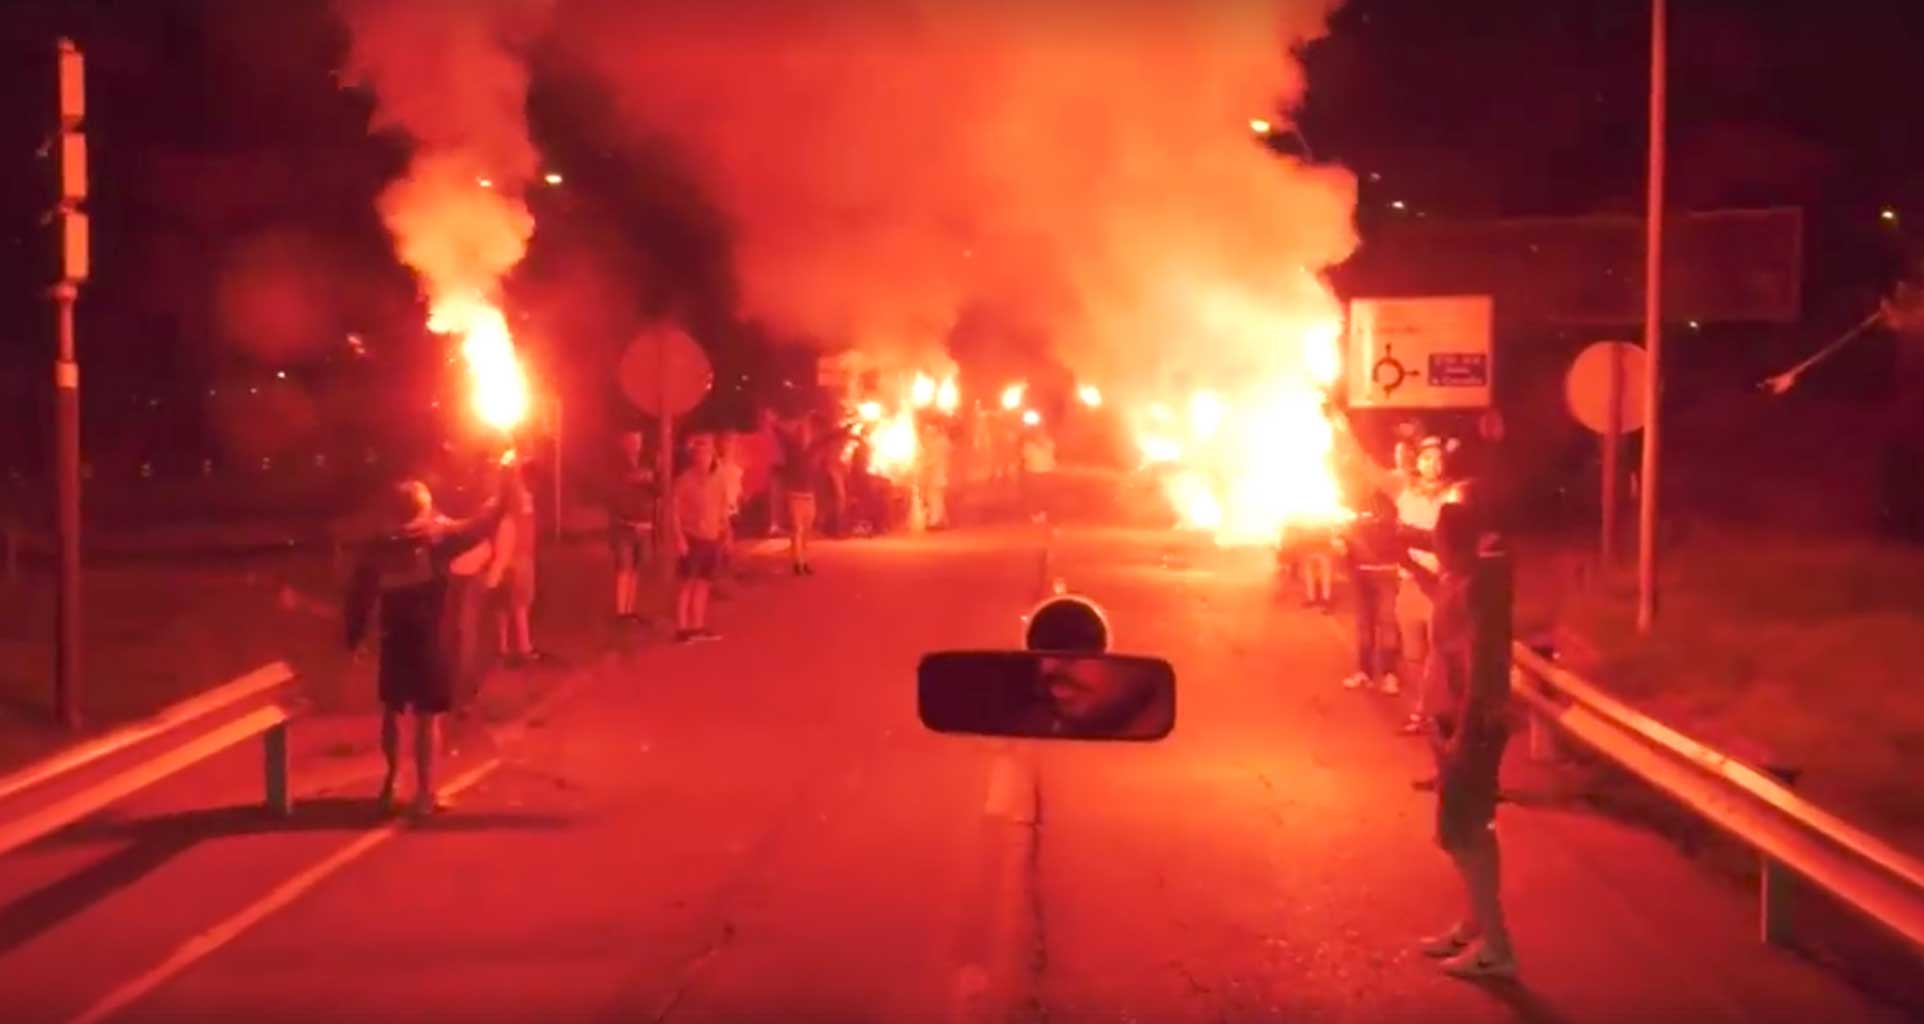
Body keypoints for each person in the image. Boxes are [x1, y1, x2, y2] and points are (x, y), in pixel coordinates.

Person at [345, 463, 509, 817]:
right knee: (427, 717)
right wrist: (507, 478)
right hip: (428, 639)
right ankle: (425, 795)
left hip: (393, 637)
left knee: (392, 710)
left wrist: (354, 636)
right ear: (421, 509)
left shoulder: (380, 546)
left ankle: (390, 782)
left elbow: (359, 594)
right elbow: (483, 523)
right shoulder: (435, 541)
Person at [1411, 501, 1517, 980]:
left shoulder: (1479, 590)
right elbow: (1442, 598)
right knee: (1473, 828)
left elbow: (1480, 666)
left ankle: (1496, 948)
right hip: (1452, 722)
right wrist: (1407, 562)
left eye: (1436, 536)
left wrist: (1464, 736)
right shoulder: (1459, 580)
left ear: (1452, 541)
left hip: (1468, 725)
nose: (1431, 541)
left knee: (1461, 834)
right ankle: (1478, 923)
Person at [1334, 415, 1463, 732]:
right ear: (1418, 462)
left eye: (1439, 459)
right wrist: (1341, 424)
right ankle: (1423, 711)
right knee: (1415, 657)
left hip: (1442, 586)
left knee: (1442, 655)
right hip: (1411, 585)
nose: (1433, 465)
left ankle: (1444, 715)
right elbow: (1367, 468)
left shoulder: (1455, 494)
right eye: (1427, 458)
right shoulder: (1404, 488)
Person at [1336, 491, 1402, 690]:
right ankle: (1365, 672)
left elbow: (1403, 544)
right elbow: (1344, 554)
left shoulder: (1393, 525)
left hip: (1385, 575)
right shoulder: (1351, 526)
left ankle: (1389, 674)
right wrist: (1341, 546)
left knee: (1387, 623)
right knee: (1365, 626)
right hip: (1361, 576)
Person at [671, 432, 730, 642]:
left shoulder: (719, 478)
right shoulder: (684, 480)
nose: (702, 457)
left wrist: (726, 532)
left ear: (712, 454)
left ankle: (698, 626)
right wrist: (679, 538)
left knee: (704, 584)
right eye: (698, 453)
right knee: (687, 583)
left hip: (711, 538)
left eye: (706, 453)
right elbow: (674, 512)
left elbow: (723, 507)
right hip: (691, 538)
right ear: (694, 456)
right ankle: (682, 629)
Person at [488, 459, 541, 667]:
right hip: (518, 556)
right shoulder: (516, 498)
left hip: (508, 556)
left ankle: (503, 648)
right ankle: (524, 647)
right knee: (520, 602)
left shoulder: (501, 499)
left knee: (503, 603)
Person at [608, 430, 656, 621]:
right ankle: (621, 612)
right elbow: (614, 489)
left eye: (638, 441)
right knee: (624, 569)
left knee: (636, 569)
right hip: (624, 525)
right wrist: (637, 478)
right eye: (631, 441)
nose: (635, 445)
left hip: (644, 525)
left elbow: (657, 489)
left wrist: (651, 479)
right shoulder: (616, 466)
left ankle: (631, 609)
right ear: (624, 443)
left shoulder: (647, 464)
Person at [775, 416, 824, 574]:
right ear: (798, 434)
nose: (805, 435)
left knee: (806, 532)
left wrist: (850, 427)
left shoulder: (813, 448)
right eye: (802, 431)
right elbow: (781, 434)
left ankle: (804, 561)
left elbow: (831, 437)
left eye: (807, 432)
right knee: (797, 530)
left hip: (809, 497)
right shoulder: (792, 447)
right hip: (795, 496)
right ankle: (798, 564)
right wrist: (772, 421)